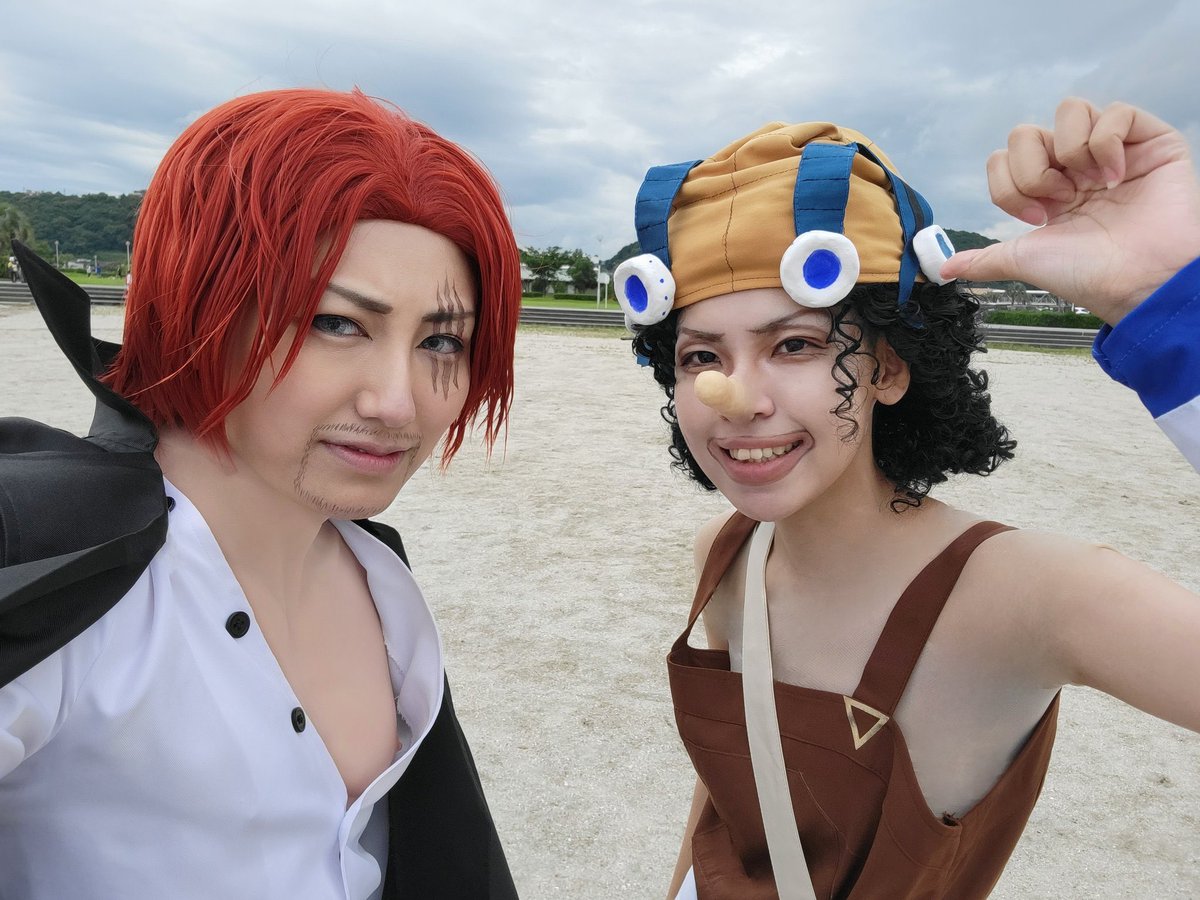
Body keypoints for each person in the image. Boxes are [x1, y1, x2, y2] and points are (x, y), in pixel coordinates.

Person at [612, 98, 1200, 899]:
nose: (736, 398)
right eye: (700, 356)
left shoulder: (1030, 594)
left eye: (795, 344)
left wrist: (1170, 308)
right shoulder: (727, 554)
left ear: (888, 369)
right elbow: (731, 793)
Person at [0, 89, 521, 899]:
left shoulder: (380, 578)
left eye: (442, 340)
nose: (398, 402)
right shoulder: (47, 574)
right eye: (336, 323)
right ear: (199, 303)